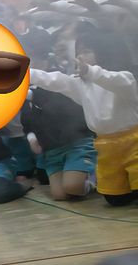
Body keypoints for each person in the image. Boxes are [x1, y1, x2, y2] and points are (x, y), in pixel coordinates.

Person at [30, 25, 138, 207]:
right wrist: (24, 73)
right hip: (105, 145)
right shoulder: (81, 84)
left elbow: (114, 80)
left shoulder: (125, 78)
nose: (81, 56)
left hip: (133, 142)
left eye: (87, 51)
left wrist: (89, 71)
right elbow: (54, 80)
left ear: (103, 52)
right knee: (115, 199)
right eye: (79, 52)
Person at [20, 38, 96, 201]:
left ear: (45, 62)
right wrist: (32, 138)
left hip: (76, 143)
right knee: (59, 195)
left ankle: (96, 177)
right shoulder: (24, 94)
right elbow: (26, 123)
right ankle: (79, 178)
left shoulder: (57, 81)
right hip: (51, 150)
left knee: (73, 187)